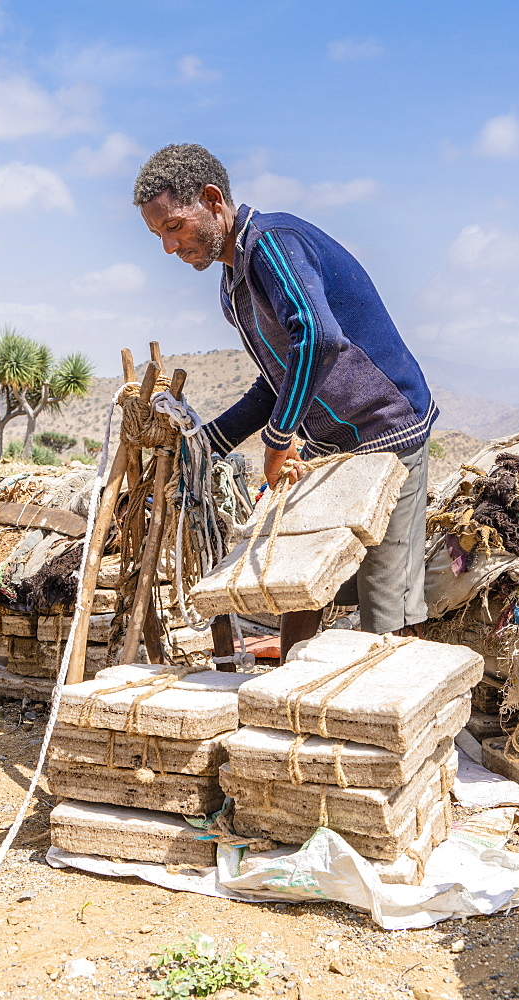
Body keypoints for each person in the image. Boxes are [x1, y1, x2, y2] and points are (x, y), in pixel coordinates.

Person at [133, 143, 438, 650]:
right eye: (158, 234)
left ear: (212, 199)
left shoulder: (272, 243)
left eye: (174, 226)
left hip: (387, 429)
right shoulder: (233, 280)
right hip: (331, 442)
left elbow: (318, 337)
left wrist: (278, 439)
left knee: (389, 601)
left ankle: (408, 712)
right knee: (298, 579)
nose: (169, 246)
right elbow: (275, 381)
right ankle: (285, 693)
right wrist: (206, 445)